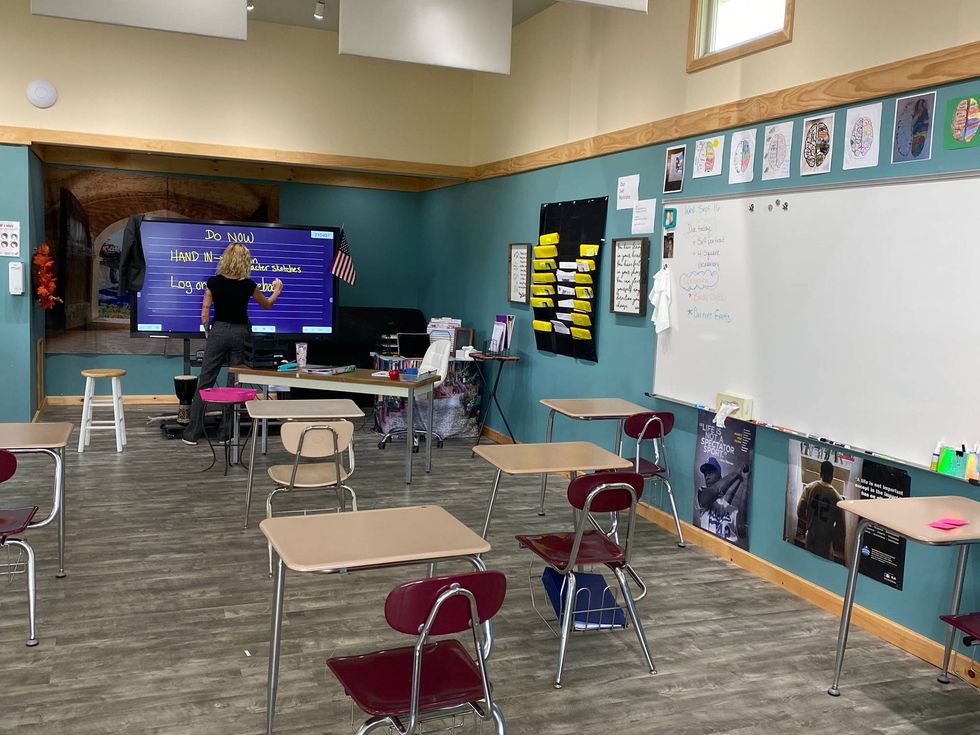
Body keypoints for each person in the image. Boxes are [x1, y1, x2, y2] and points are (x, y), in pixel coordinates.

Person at [182, 244, 283, 445]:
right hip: (240, 334)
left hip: (218, 331)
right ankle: (225, 434)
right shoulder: (249, 285)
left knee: (205, 382)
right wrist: (276, 291)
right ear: (245, 261)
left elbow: (204, 313)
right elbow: (267, 305)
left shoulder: (213, 282)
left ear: (225, 259)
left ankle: (192, 434)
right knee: (234, 384)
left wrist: (209, 332)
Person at [795, 460, 846, 562]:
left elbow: (800, 511)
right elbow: (841, 529)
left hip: (811, 538)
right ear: (832, 477)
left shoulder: (809, 488)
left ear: (820, 473)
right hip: (825, 543)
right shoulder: (837, 498)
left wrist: (809, 521)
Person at [696, 457, 750, 543]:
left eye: (710, 472)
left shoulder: (731, 508)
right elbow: (715, 491)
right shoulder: (702, 494)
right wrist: (736, 473)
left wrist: (746, 481)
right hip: (706, 545)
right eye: (705, 474)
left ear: (720, 476)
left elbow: (742, 531)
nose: (707, 477)